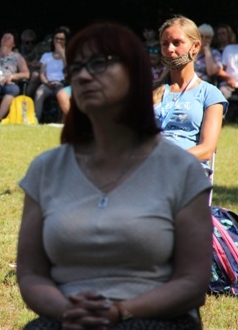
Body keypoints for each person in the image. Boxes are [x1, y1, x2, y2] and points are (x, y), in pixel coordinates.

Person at [17, 22, 212, 330]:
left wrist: (119, 312)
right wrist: (68, 311)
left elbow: (193, 281)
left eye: (98, 64)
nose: (82, 75)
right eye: (76, 67)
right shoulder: (46, 170)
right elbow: (30, 275)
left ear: (134, 75)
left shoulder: (180, 171)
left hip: (154, 319)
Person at [153, 16, 226, 177]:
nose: (170, 49)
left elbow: (207, 149)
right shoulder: (150, 91)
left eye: (177, 43)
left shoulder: (210, 94)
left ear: (195, 46)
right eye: (164, 44)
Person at [0, 29, 30, 121]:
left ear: (14, 44)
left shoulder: (17, 56)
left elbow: (26, 74)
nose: (5, 39)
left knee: (13, 89)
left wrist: (11, 77)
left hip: (8, 82)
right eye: (4, 37)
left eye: (9, 38)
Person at [33, 27, 68, 123]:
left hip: (62, 84)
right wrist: (47, 83)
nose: (58, 41)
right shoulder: (46, 56)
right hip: (48, 83)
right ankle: (36, 120)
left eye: (61, 39)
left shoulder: (69, 55)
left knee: (63, 95)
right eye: (56, 38)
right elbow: (42, 74)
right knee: (39, 92)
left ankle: (61, 123)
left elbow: (68, 70)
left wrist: (62, 54)